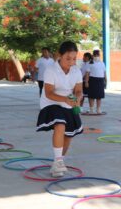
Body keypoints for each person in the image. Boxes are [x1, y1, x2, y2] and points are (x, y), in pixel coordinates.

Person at [36, 41, 83, 178]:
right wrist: (65, 99)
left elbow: (79, 90)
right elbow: (48, 92)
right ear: (59, 56)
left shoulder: (76, 71)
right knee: (60, 124)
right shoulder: (51, 70)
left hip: (68, 103)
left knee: (69, 135)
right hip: (51, 103)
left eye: (74, 58)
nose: (71, 62)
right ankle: (58, 161)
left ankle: (58, 161)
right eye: (68, 58)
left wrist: (77, 98)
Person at [85, 49, 107, 114]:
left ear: (99, 55)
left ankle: (98, 109)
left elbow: (104, 72)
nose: (97, 56)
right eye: (95, 55)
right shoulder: (90, 63)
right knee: (91, 96)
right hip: (92, 80)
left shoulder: (102, 63)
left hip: (100, 80)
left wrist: (106, 80)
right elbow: (87, 74)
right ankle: (91, 109)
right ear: (93, 55)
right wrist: (86, 82)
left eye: (98, 55)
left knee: (99, 96)